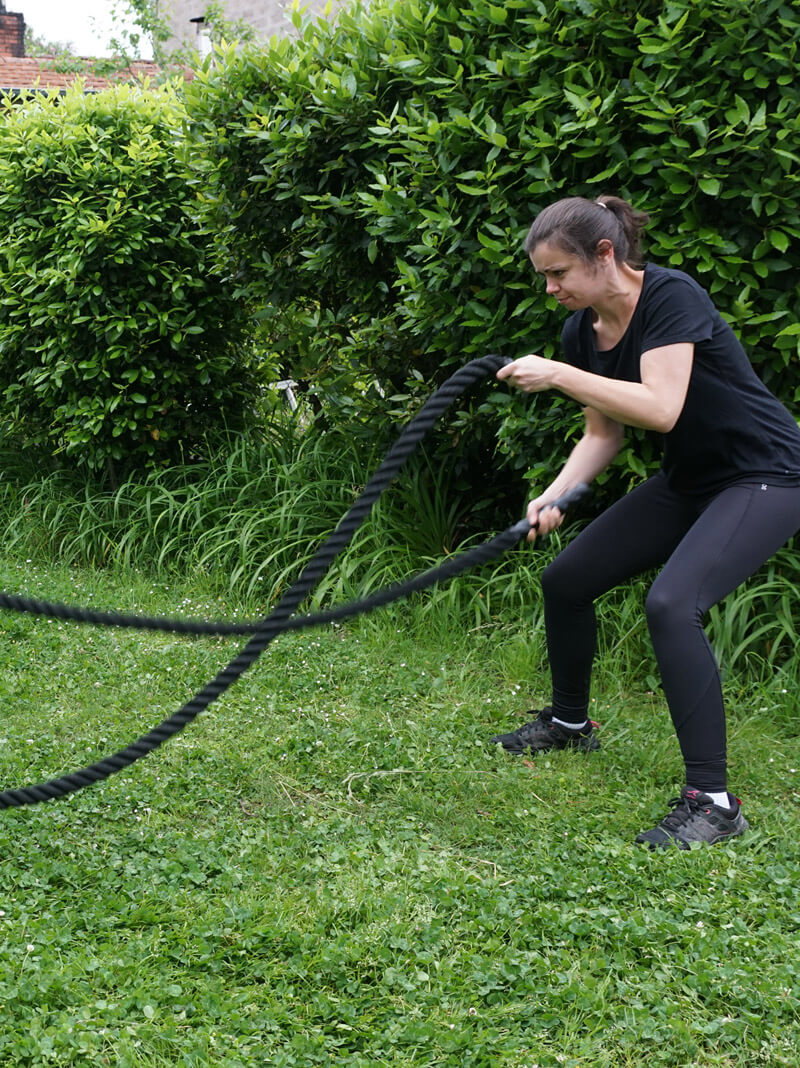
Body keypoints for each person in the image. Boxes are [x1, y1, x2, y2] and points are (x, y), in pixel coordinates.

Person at [491, 194, 800, 849]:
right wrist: (555, 494)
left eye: (558, 274)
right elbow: (604, 434)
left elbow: (660, 408)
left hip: (767, 475)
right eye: (543, 277)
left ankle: (713, 804)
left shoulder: (670, 296)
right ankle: (570, 726)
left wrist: (557, 375)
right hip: (691, 480)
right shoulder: (582, 331)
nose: (549, 289)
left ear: (605, 255)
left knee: (671, 603)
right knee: (567, 580)